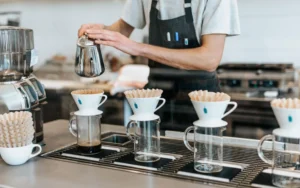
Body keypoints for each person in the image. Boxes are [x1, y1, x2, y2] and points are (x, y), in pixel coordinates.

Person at [78, 0, 240, 92]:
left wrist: (137, 48)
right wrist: (101, 31)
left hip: (202, 101)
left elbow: (209, 59)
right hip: (157, 96)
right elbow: (123, 29)